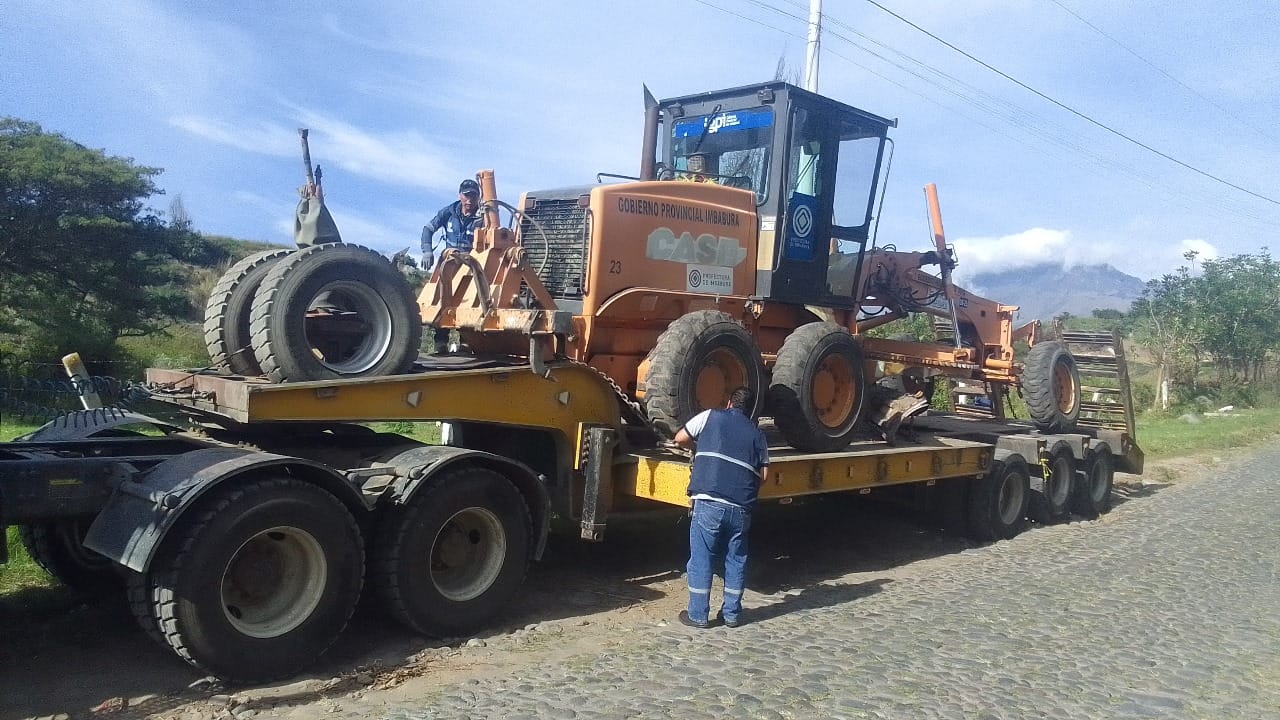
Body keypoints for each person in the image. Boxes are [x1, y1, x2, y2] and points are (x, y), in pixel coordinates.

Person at [672, 387, 769, 629]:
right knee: (736, 560)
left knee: (701, 558)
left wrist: (699, 449)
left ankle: (697, 615)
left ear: (729, 404)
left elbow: (680, 438)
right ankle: (732, 615)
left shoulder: (710, 416)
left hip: (709, 502)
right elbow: (765, 476)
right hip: (741, 507)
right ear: (750, 412)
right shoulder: (758, 435)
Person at [420, 178, 483, 352]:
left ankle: (465, 342)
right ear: (460, 195)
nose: (469, 200)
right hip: (449, 264)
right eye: (466, 195)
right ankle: (440, 342)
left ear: (478, 197)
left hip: (471, 267)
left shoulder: (483, 217)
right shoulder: (448, 212)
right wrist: (427, 251)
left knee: (469, 301)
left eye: (473, 196)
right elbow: (428, 229)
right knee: (443, 299)